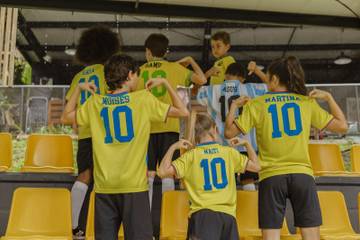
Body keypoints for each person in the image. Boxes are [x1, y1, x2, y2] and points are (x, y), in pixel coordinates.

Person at [62, 54, 189, 240]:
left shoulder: (95, 103)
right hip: (134, 187)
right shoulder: (143, 100)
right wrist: (166, 83)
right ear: (130, 75)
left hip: (104, 188)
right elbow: (183, 111)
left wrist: (79, 90)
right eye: (137, 75)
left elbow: (65, 117)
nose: (138, 79)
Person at [225, 56, 348, 240]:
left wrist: (234, 105)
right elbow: (342, 126)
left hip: (271, 176)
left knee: (271, 236)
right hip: (302, 175)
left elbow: (228, 133)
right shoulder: (305, 102)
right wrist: (329, 98)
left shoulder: (257, 104)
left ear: (274, 79)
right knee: (311, 236)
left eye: (268, 77)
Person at [158, 113, 260, 240]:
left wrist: (173, 147)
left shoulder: (190, 156)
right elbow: (257, 166)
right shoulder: (228, 153)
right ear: (216, 130)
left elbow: (162, 172)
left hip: (203, 217)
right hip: (228, 218)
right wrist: (247, 144)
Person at [61, 25, 120, 239]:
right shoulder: (109, 73)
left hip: (86, 133)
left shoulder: (79, 77)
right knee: (108, 179)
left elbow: (71, 109)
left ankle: (74, 225)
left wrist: (80, 128)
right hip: (106, 134)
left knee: (84, 176)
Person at [137, 33, 206, 208]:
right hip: (170, 126)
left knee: (149, 175)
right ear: (165, 51)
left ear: (148, 52)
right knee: (168, 173)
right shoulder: (175, 69)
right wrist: (190, 60)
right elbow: (202, 79)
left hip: (146, 129)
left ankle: (148, 216)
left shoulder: (139, 70)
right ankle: (167, 218)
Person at [197, 62, 267, 191]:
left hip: (223, 144)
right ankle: (250, 209)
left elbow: (195, 92)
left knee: (227, 180)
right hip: (246, 143)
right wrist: (256, 70)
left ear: (226, 75)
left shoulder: (213, 90)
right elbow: (272, 86)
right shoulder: (250, 89)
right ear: (242, 78)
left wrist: (208, 74)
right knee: (248, 179)